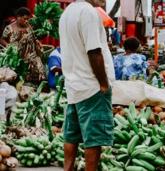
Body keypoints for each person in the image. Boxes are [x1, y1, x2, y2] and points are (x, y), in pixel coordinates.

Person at [59, 0, 115, 170]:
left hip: (74, 85)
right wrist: (103, 83)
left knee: (72, 136)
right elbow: (94, 51)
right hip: (91, 86)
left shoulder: (67, 13)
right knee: (94, 139)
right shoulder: (89, 12)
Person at [1, 7, 46, 83]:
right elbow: (2, 39)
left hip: (31, 55)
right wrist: (8, 46)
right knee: (18, 78)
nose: (26, 21)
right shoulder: (9, 28)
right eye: (25, 18)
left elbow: (34, 37)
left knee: (40, 75)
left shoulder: (29, 26)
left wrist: (38, 42)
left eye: (27, 19)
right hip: (17, 56)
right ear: (18, 17)